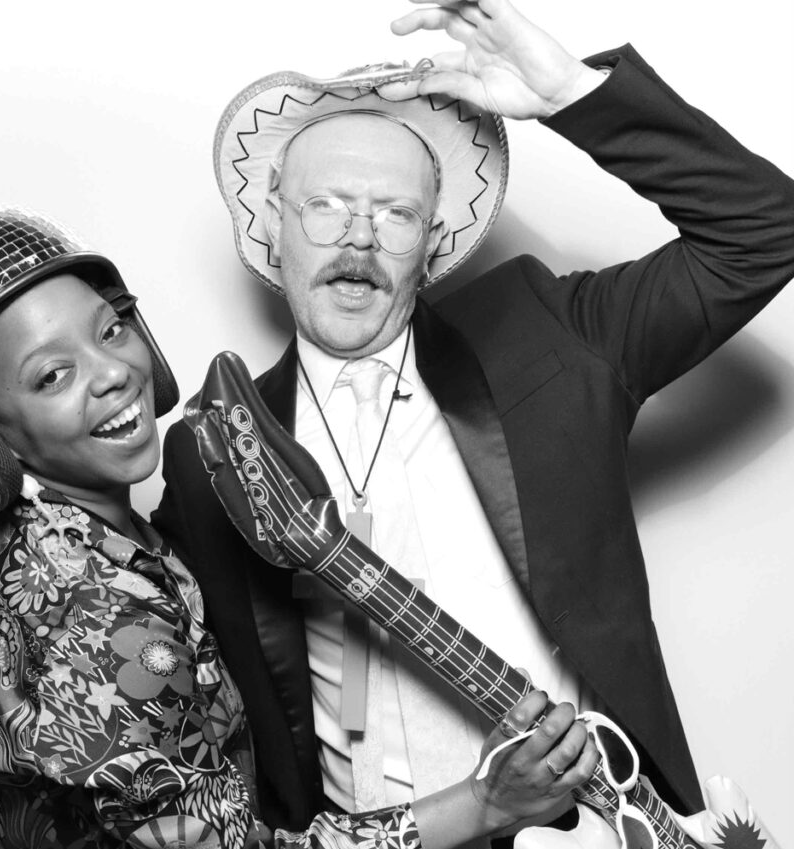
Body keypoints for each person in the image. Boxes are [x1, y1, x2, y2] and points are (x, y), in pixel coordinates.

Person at [151, 0, 794, 840]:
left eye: (396, 213)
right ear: (272, 219)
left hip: (597, 826)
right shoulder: (211, 451)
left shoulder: (545, 336)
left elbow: (765, 229)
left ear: (432, 237)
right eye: (327, 205)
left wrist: (573, 92)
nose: (358, 239)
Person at [0, 207, 600, 849]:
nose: (114, 371)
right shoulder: (107, 611)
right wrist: (485, 801)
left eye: (110, 328)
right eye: (50, 376)